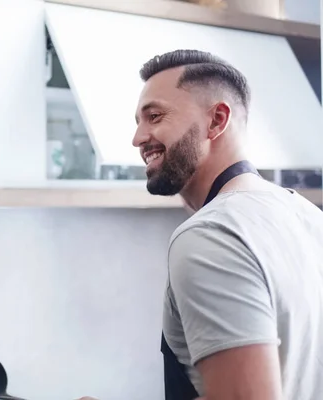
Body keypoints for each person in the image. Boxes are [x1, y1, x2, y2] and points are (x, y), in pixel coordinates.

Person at [130, 49, 323, 399]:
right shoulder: (308, 216)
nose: (138, 138)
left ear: (217, 120)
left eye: (155, 116)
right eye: (138, 122)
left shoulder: (209, 236)